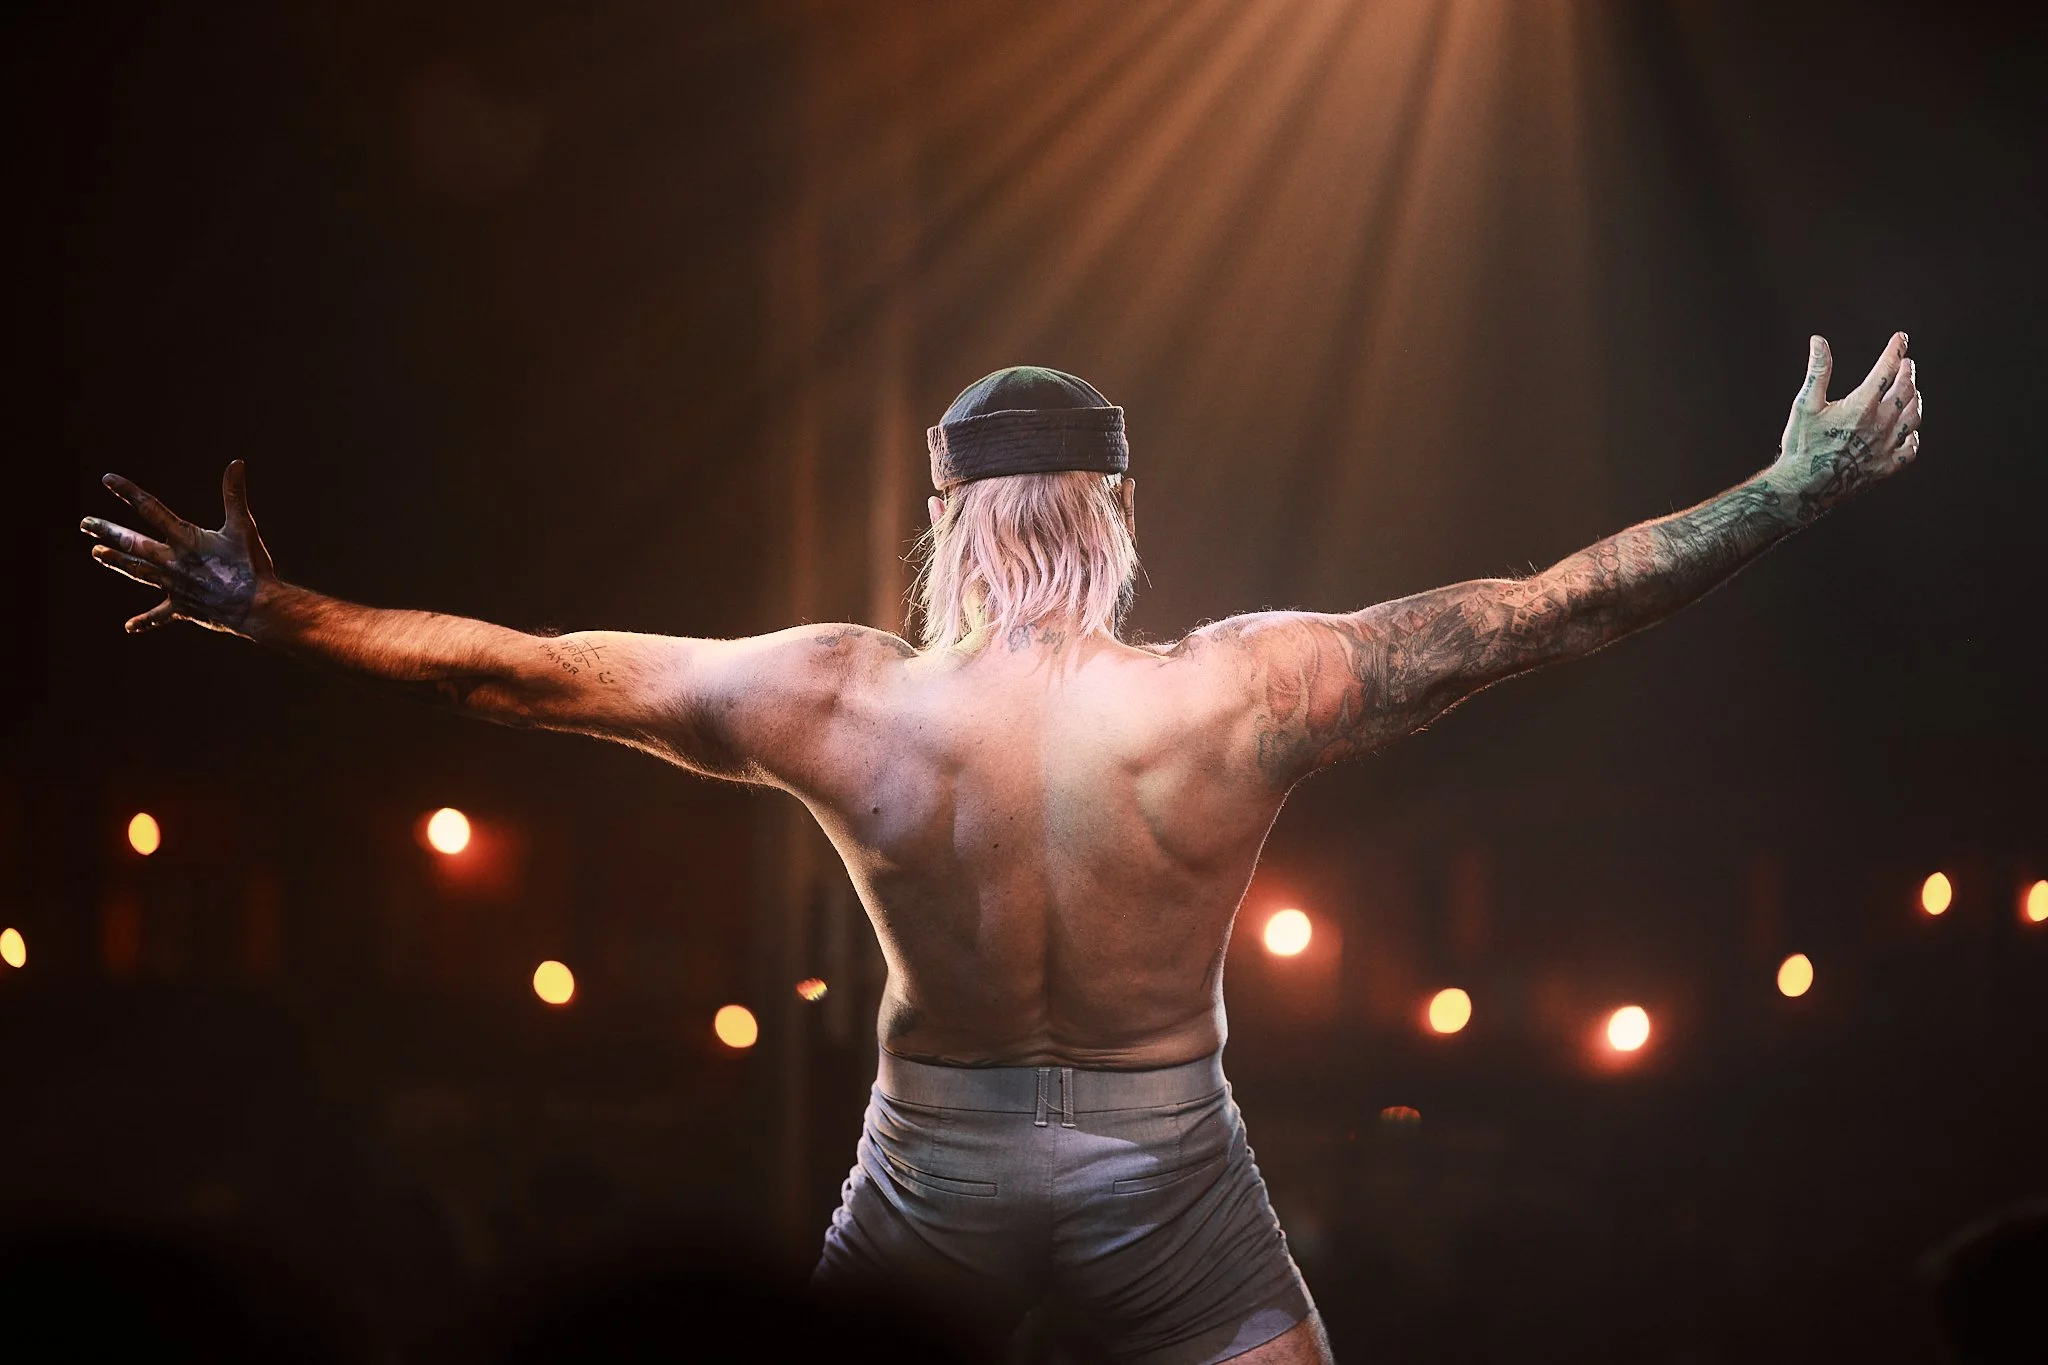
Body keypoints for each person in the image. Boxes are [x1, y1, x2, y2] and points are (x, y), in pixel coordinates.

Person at [80, 336, 1922, 1363]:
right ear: (1116, 518)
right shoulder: (1237, 692)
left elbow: (533, 680)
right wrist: (1787, 489)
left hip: (934, 1174)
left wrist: (283, 611)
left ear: (947, 524)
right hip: (1169, 1163)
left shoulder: (843, 703)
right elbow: (1544, 612)